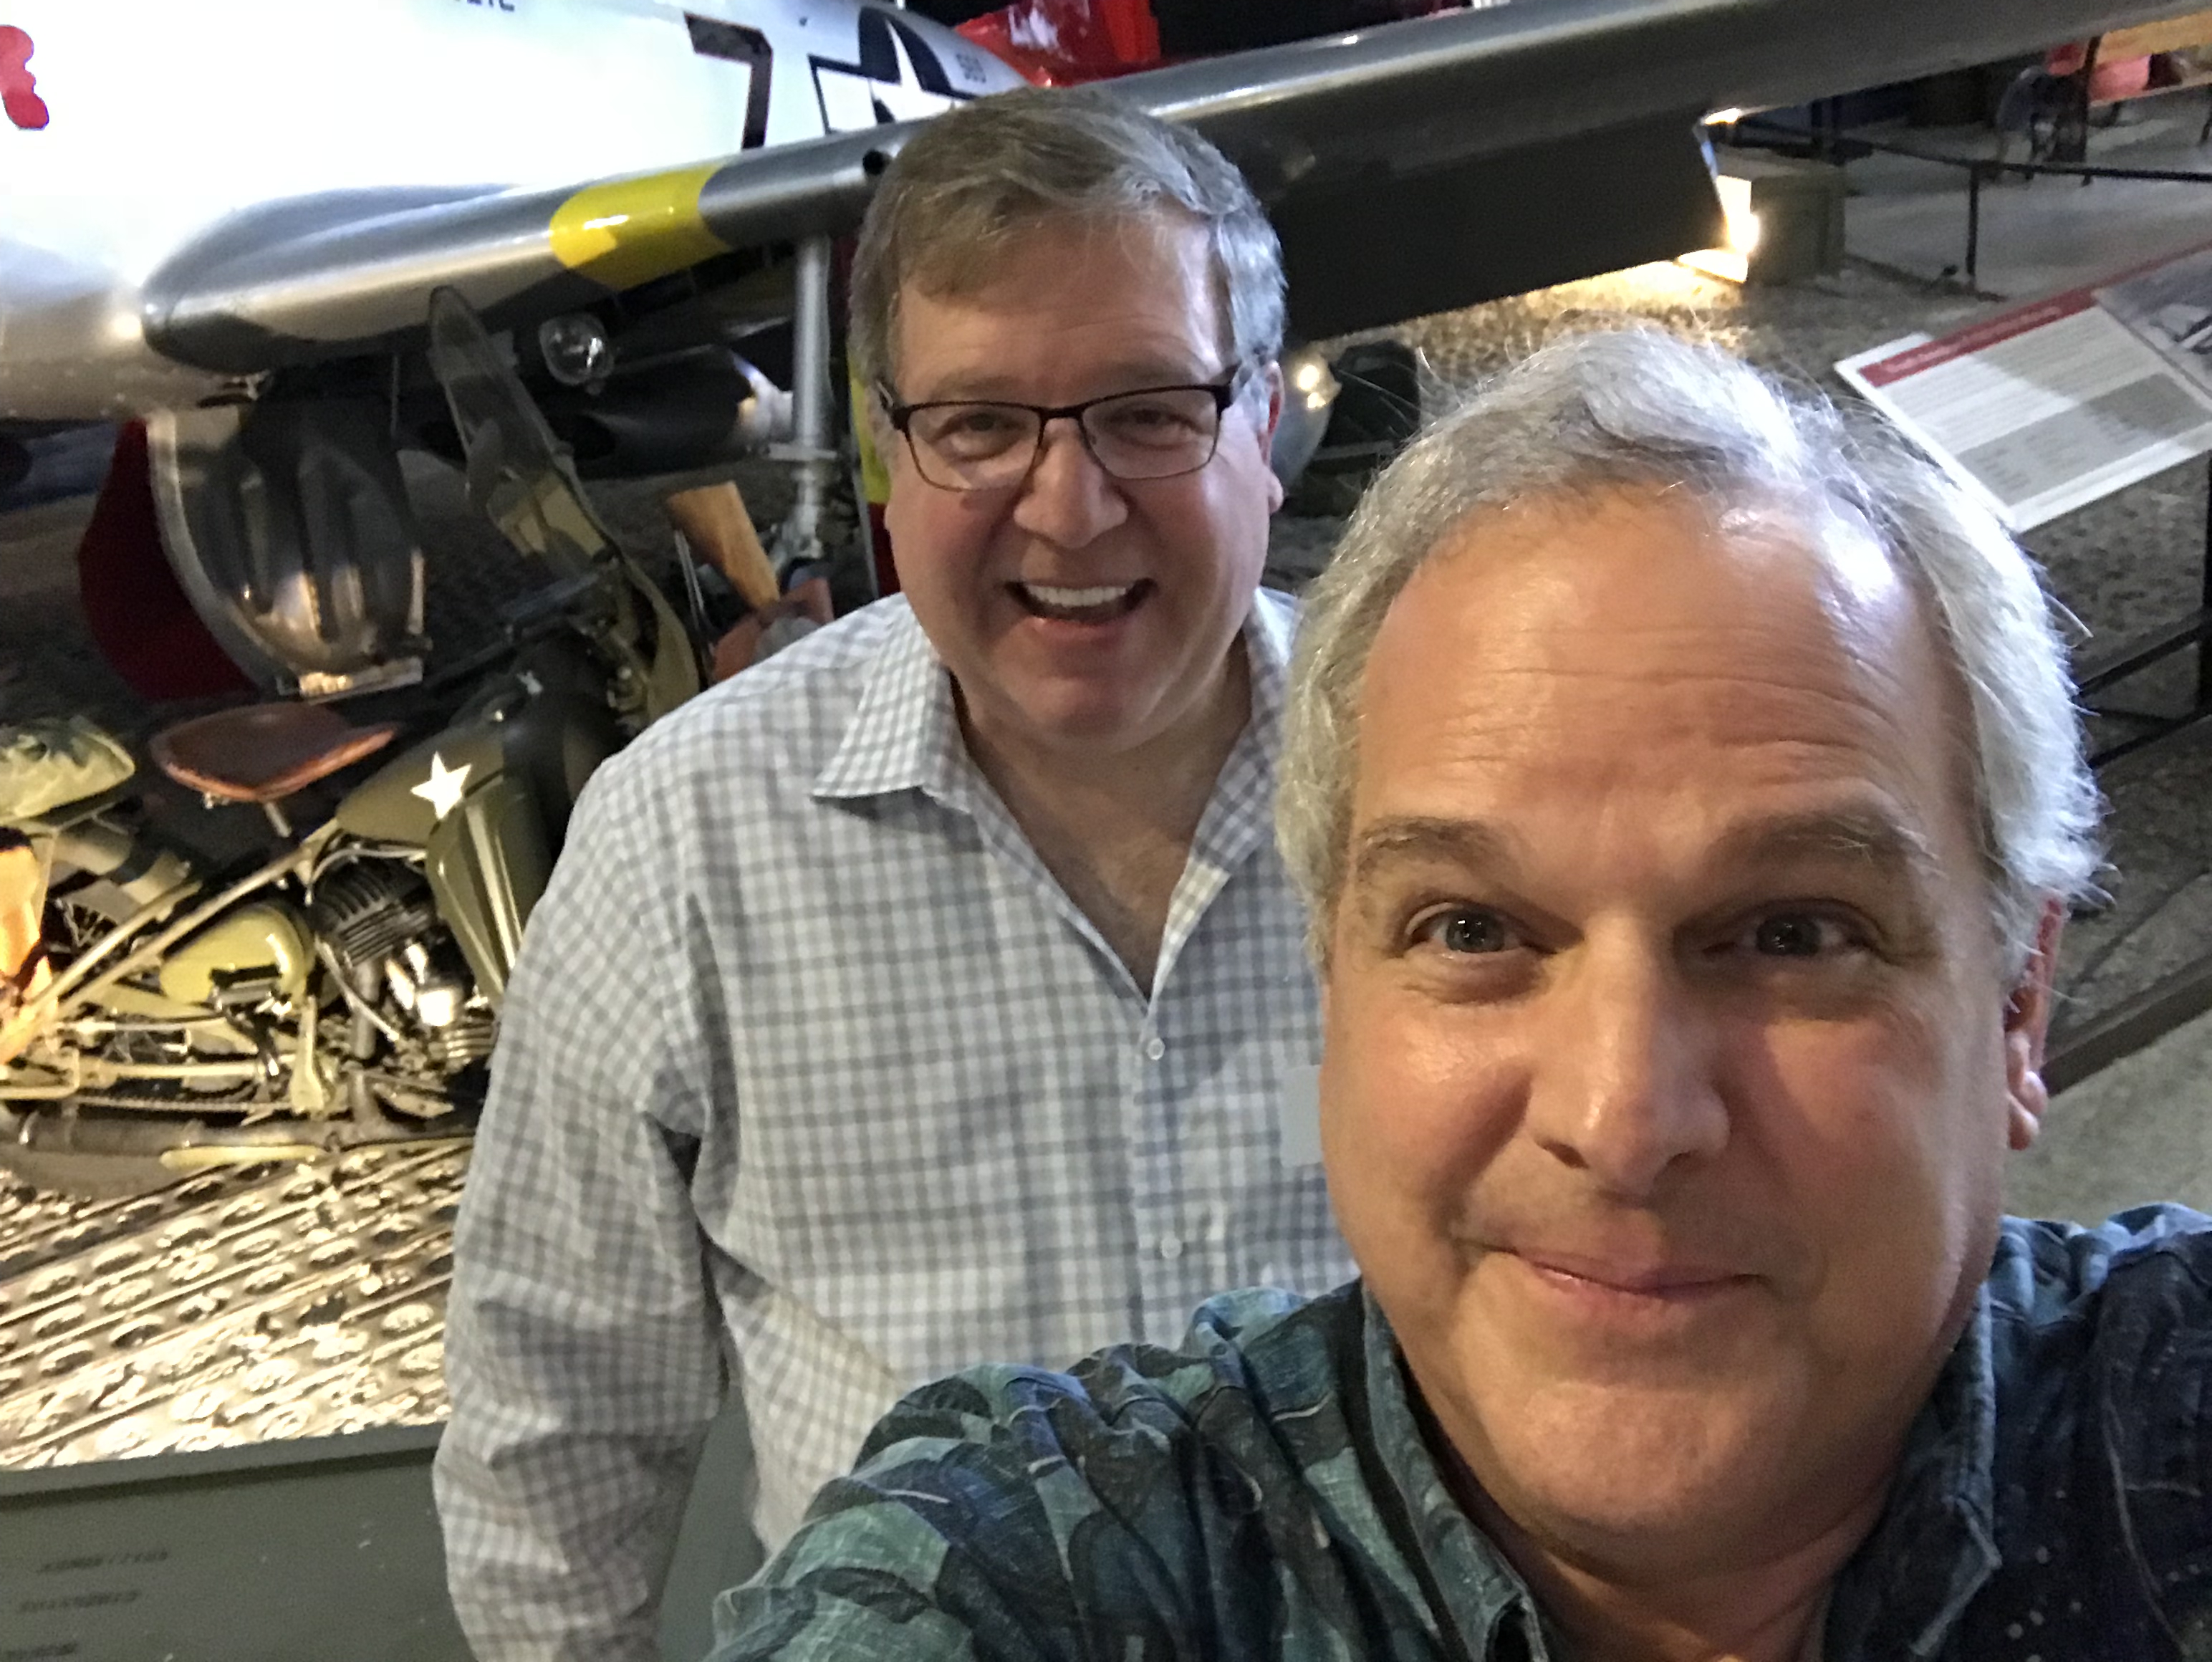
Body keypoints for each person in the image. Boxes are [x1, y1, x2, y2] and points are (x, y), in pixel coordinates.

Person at [705, 328, 2212, 1662]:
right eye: (1472, 927)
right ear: (1333, 983)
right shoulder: (1038, 1568)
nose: (1621, 1120)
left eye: (1792, 932)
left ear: (2018, 1001)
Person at [433, 86, 1354, 1661]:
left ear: (1262, 426)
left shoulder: (1441, 778)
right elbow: (556, 1424)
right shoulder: (686, 839)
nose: (1069, 507)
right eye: (980, 423)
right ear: (883, 448)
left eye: (1149, 411)